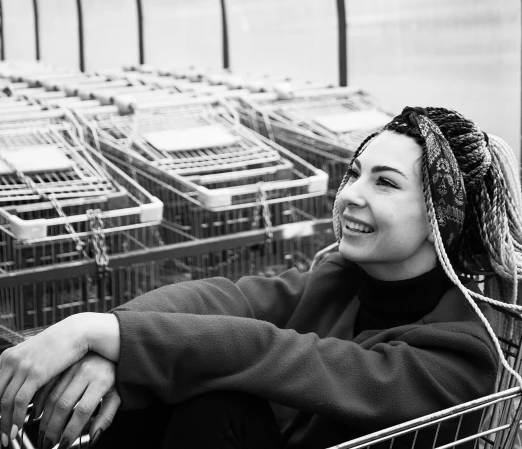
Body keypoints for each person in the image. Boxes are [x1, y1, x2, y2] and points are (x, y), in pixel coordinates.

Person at [0, 105, 521, 449]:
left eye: (384, 182)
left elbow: (276, 355)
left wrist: (107, 337)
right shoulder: (342, 277)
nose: (350, 195)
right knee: (167, 392)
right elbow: (229, 300)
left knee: (219, 410)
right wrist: (112, 339)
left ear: (440, 219)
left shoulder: (459, 359)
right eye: (353, 172)